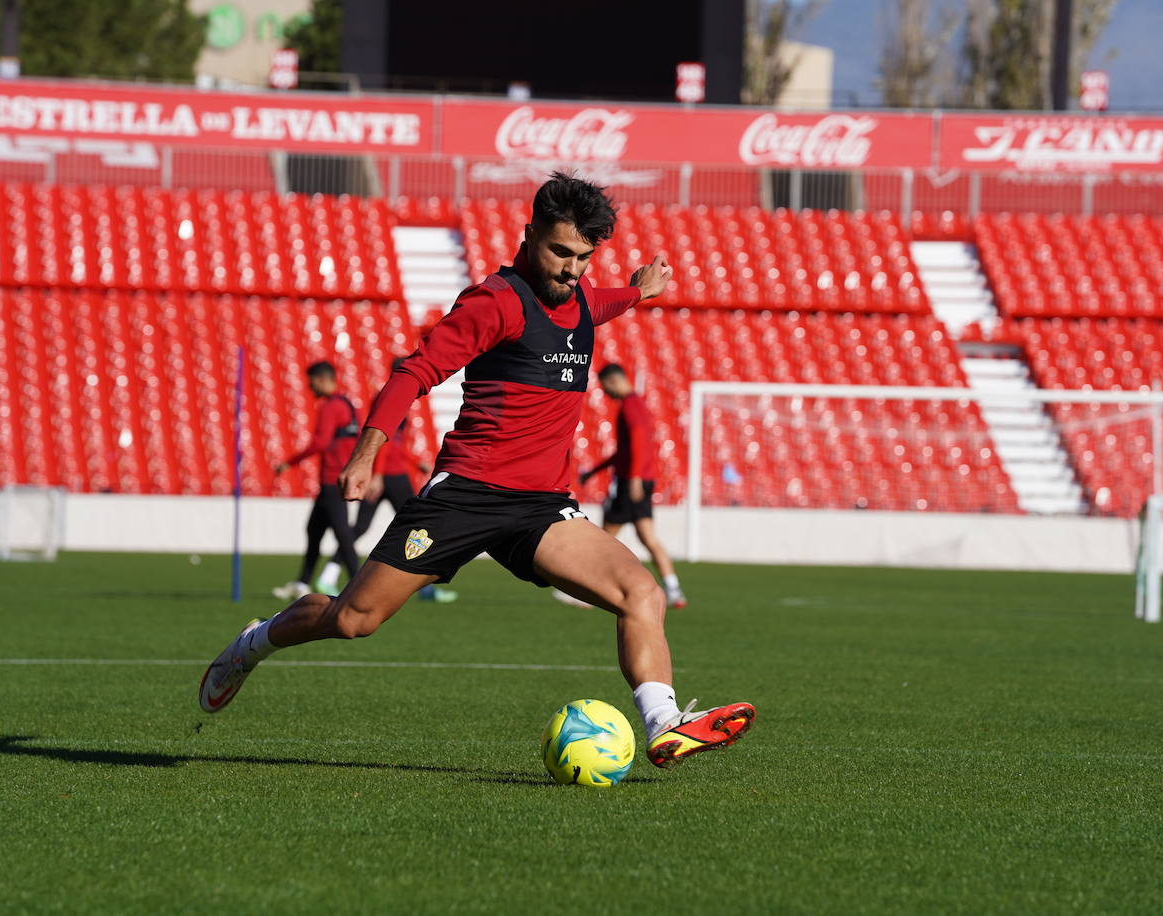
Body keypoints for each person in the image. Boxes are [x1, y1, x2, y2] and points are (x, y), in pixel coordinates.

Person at [201, 172, 754, 769]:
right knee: (355, 619)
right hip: (464, 496)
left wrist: (641, 290)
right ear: (529, 235)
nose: (571, 269)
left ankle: (663, 723)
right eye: (560, 252)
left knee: (640, 593)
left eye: (584, 258)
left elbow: (604, 301)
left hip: (540, 506)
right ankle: (252, 643)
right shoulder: (495, 302)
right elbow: (414, 372)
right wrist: (365, 452)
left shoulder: (585, 300)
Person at [314, 359, 456, 603]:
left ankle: (329, 574)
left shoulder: (390, 396)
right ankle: (424, 587)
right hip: (390, 474)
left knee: (361, 527)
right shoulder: (392, 397)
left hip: (387, 470)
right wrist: (378, 474)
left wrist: (412, 461)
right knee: (420, 526)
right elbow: (384, 440)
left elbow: (393, 443)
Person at [575, 363, 686, 608]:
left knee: (604, 538)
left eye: (605, 388)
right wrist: (594, 472)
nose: (606, 393)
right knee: (648, 538)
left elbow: (638, 444)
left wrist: (634, 478)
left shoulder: (630, 407)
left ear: (614, 381)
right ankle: (674, 589)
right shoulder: (638, 404)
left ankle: (589, 593)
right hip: (642, 480)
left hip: (630, 482)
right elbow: (625, 451)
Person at [269, 361, 361, 601]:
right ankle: (302, 583)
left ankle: (360, 586)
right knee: (314, 531)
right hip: (336, 479)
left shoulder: (330, 407)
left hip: (332, 479)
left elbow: (320, 443)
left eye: (311, 384)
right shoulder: (349, 405)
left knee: (342, 534)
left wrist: (289, 462)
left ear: (321, 379)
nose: (311, 390)